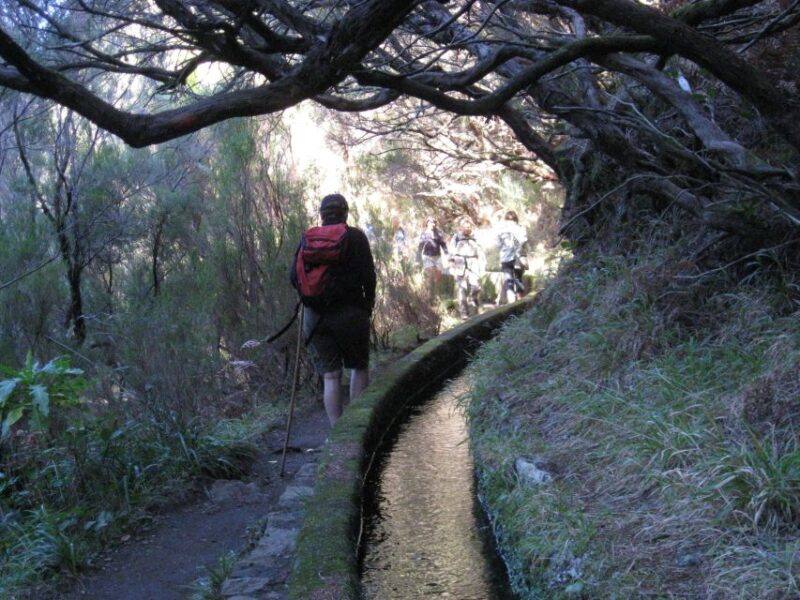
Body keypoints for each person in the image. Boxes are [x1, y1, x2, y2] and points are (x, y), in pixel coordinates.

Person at [296, 194, 376, 426]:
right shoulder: (356, 237)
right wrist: (368, 304)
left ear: (321, 215)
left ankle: (336, 432)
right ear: (345, 213)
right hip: (351, 314)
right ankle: (357, 427)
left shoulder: (307, 240)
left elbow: (294, 277)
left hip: (315, 317)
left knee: (330, 376)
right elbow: (368, 276)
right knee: (358, 368)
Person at [448, 217, 485, 318]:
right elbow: (451, 250)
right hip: (460, 263)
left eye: (469, 227)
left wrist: (482, 263)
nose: (467, 229)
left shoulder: (475, 237)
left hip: (473, 263)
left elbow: (481, 251)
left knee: (476, 286)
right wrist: (451, 262)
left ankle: (472, 301)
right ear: (461, 227)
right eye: (465, 227)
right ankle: (463, 312)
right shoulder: (456, 237)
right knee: (462, 289)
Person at [496, 209, 527, 304]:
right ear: (516, 219)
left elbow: (497, 244)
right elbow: (524, 242)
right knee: (518, 279)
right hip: (518, 258)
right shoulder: (520, 228)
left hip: (505, 258)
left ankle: (511, 304)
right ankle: (520, 304)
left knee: (509, 281)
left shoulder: (501, 230)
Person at [417, 217, 448, 302]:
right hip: (427, 257)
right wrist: (417, 258)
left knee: (437, 278)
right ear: (427, 223)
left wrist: (447, 254)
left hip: (437, 257)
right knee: (430, 276)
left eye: (434, 223)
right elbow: (420, 246)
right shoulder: (424, 234)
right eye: (431, 222)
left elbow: (443, 245)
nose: (432, 224)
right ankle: (428, 298)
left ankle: (435, 296)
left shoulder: (438, 233)